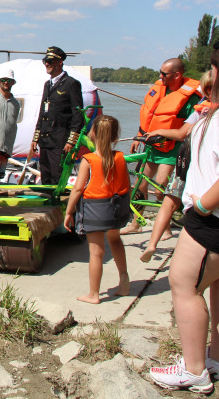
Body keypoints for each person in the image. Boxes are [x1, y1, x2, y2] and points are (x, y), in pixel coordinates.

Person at [149, 40, 219, 393]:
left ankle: (193, 370)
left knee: (184, 285)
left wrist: (205, 204)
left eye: (211, 67)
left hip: (217, 219)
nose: (206, 74)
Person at [121, 57, 202, 235]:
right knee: (141, 185)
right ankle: (136, 223)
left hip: (173, 148)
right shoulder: (159, 91)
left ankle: (164, 226)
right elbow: (149, 117)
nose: (160, 76)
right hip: (152, 145)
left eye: (164, 74)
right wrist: (139, 136)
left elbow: (188, 129)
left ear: (177, 75)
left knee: (159, 187)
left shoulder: (191, 99)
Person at [140, 70, 213, 263]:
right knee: (184, 202)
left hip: (190, 162)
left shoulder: (201, 109)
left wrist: (158, 131)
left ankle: (152, 244)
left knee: (169, 200)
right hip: (207, 166)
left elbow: (181, 134)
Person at [63, 115, 131, 304]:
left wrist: (69, 212)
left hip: (96, 208)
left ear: (92, 134)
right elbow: (127, 185)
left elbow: (78, 188)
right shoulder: (120, 157)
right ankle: (124, 280)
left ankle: (94, 294)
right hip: (116, 206)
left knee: (96, 252)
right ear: (115, 136)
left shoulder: (89, 160)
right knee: (115, 240)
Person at [29, 47, 83, 185]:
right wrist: (36, 138)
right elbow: (43, 113)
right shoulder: (48, 84)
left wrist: (71, 141)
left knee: (57, 176)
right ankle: (48, 205)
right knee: (46, 176)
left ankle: (58, 204)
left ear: (60, 62)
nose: (47, 64)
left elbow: (78, 116)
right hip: (46, 140)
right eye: (45, 61)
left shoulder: (71, 84)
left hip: (60, 141)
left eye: (50, 61)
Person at [0, 69, 21, 183]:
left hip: (5, 147)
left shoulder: (16, 103)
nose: (6, 82)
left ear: (13, 82)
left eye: (9, 80)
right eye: (3, 80)